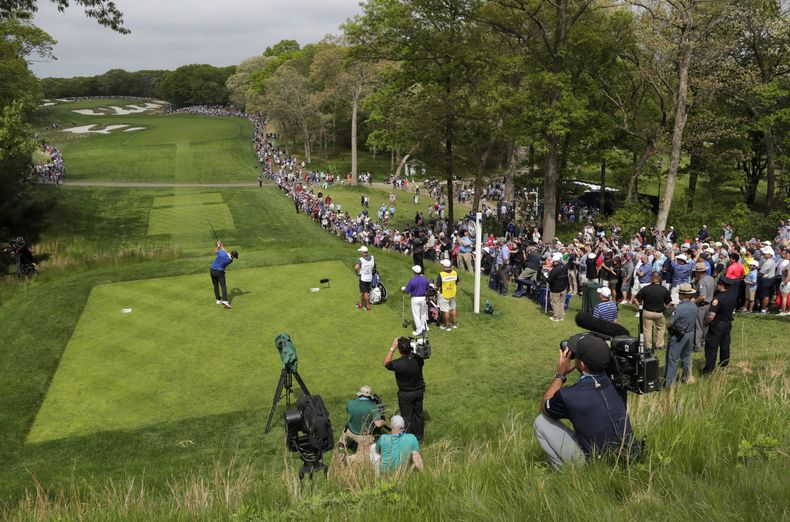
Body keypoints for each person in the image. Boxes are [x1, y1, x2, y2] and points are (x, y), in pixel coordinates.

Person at [534, 332, 633, 469]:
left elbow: (545, 407)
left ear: (583, 364)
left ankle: (564, 473)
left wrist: (560, 375)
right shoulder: (619, 384)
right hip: (628, 454)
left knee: (540, 421)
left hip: (597, 463)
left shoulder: (570, 395)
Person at [384, 337, 425, 440]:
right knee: (418, 414)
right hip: (419, 391)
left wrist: (392, 347)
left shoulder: (399, 363)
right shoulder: (418, 359)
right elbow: (422, 355)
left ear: (399, 350)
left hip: (406, 394)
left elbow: (386, 363)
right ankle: (420, 437)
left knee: (406, 417)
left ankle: (408, 439)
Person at [338, 385, 386, 463]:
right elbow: (378, 424)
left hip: (350, 432)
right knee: (364, 457)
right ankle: (346, 459)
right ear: (370, 396)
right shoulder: (373, 407)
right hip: (364, 436)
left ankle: (342, 443)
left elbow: (349, 410)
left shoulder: (350, 403)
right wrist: (384, 421)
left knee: (348, 424)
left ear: (360, 394)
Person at [665, 284, 698, 387]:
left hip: (679, 336)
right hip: (690, 334)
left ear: (683, 295)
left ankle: (669, 384)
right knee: (686, 357)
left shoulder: (679, 308)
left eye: (679, 293)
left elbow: (670, 323)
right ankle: (686, 378)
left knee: (673, 359)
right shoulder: (694, 305)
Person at [702, 278, 737, 374]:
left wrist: (705, 323)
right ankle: (724, 366)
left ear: (722, 285)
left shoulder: (718, 299)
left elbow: (711, 316)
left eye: (718, 284)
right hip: (727, 324)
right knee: (725, 346)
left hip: (717, 325)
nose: (716, 286)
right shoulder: (732, 295)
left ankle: (708, 369)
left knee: (711, 347)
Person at [635, 272, 671, 350]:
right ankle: (660, 345)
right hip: (659, 313)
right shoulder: (664, 289)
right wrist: (664, 310)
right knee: (661, 328)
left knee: (647, 330)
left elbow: (636, 299)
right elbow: (669, 303)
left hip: (647, 313)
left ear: (651, 278)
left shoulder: (645, 288)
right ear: (659, 278)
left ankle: (648, 346)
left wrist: (640, 308)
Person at [692, 261, 716, 351]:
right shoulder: (711, 279)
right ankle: (704, 341)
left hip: (702, 306)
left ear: (699, 272)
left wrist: (694, 302)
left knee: (698, 326)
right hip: (709, 305)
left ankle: (697, 345)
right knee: (706, 325)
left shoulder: (702, 282)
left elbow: (702, 296)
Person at [210, 240, 238, 309]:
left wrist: (218, 246)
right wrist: (222, 246)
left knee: (215, 285)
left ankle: (218, 300)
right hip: (219, 273)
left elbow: (215, 251)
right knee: (223, 286)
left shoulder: (222, 253)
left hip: (212, 271)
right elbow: (227, 253)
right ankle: (225, 301)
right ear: (233, 256)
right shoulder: (230, 260)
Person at [403, 265, 430, 336]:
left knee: (416, 315)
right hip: (423, 298)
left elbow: (407, 291)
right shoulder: (425, 279)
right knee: (423, 314)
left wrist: (404, 289)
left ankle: (419, 330)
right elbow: (427, 288)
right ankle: (425, 327)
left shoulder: (412, 281)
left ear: (414, 272)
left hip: (415, 298)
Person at [436, 258, 459, 330]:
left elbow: (438, 285)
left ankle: (447, 325)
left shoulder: (441, 274)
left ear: (444, 266)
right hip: (453, 293)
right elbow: (458, 282)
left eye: (442, 265)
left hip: (445, 295)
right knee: (453, 308)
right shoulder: (454, 272)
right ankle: (455, 323)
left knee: (446, 311)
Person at [547, 253, 569, 322]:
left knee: (555, 303)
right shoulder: (564, 267)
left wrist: (546, 277)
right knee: (561, 302)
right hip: (563, 288)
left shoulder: (554, 270)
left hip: (556, 289)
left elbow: (549, 280)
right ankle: (561, 316)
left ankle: (556, 317)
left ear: (555, 261)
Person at [354, 245, 375, 311]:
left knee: (365, 292)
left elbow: (356, 267)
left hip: (363, 278)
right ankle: (360, 304)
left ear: (363, 252)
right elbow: (374, 266)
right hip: (370, 278)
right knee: (364, 291)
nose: (360, 252)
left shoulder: (361, 259)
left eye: (360, 251)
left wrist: (357, 273)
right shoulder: (372, 257)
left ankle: (368, 306)